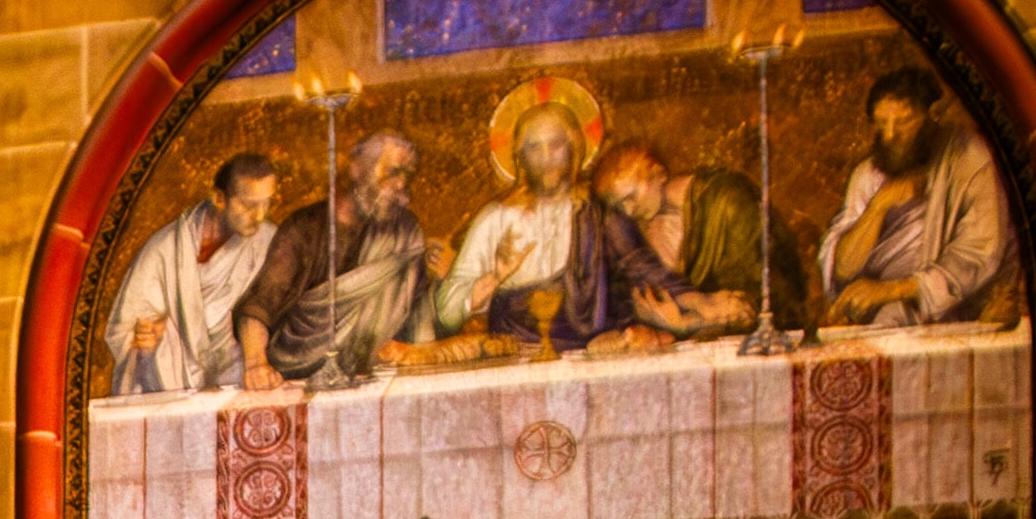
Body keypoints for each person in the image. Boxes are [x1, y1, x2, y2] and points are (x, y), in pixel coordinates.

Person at [433, 98, 674, 353]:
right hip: (516, 356)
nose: (546, 158)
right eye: (534, 148)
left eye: (556, 145)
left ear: (574, 148)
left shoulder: (600, 213)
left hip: (596, 354)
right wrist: (493, 280)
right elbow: (446, 311)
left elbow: (646, 276)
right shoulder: (496, 219)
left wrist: (679, 316)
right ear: (520, 156)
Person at [233, 132, 448, 388]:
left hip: (376, 382)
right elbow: (259, 306)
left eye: (407, 175)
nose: (401, 184)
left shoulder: (405, 232)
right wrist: (256, 364)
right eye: (393, 172)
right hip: (299, 378)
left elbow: (418, 319)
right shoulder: (305, 228)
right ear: (357, 169)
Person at [818, 66, 1019, 327]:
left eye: (903, 122)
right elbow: (843, 269)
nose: (891, 135)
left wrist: (892, 290)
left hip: (960, 315)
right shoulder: (866, 175)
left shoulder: (970, 158)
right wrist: (879, 206)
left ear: (930, 115)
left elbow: (978, 253)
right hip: (881, 317)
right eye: (882, 123)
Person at [590, 141, 809, 338]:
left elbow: (759, 307)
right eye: (619, 205)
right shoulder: (633, 232)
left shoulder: (728, 202)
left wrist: (685, 324)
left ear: (659, 174)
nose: (628, 211)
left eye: (631, 197)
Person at [103, 154, 280, 397]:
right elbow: (122, 331)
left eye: (266, 204)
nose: (259, 216)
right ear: (219, 199)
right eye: (249, 206)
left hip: (238, 373)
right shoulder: (165, 249)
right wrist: (146, 336)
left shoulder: (268, 241)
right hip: (172, 377)